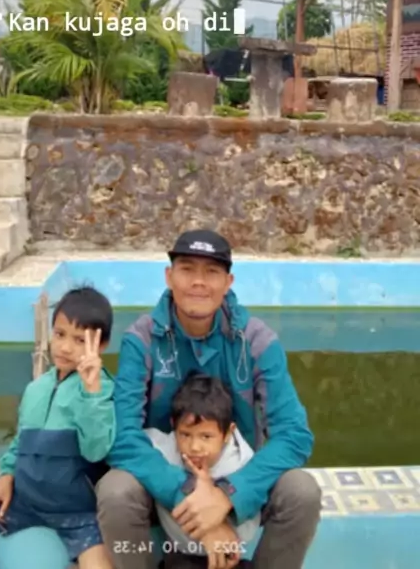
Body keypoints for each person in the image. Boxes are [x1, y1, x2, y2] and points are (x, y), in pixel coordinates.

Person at [97, 229, 322, 569]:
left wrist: (227, 494)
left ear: (228, 282)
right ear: (169, 276)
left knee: (301, 491)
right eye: (187, 269)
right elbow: (123, 437)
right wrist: (191, 496)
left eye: (212, 271)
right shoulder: (142, 340)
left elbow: (294, 435)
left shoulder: (257, 341)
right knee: (116, 490)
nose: (198, 282)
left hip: (237, 474)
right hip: (164, 479)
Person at [0, 286, 116, 569]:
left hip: (78, 514)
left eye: (79, 340)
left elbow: (97, 450)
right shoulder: (37, 388)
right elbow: (19, 444)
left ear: (100, 346)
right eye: (60, 334)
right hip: (26, 501)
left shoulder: (103, 390)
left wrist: (91, 393)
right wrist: (6, 476)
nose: (65, 347)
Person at [145, 372, 261, 568]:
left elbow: (250, 520)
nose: (194, 447)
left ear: (228, 433)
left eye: (206, 437)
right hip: (180, 551)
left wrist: (219, 517)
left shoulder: (241, 463)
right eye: (185, 434)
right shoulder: (163, 448)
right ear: (173, 426)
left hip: (229, 556)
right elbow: (128, 443)